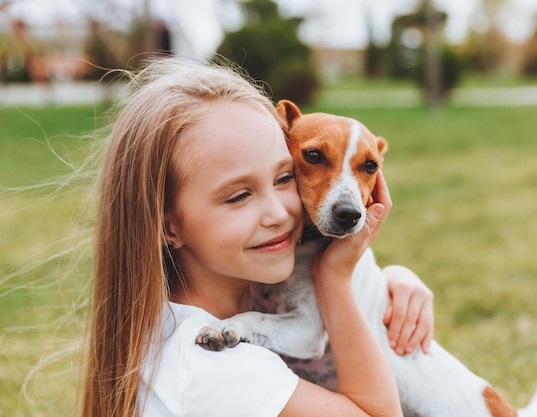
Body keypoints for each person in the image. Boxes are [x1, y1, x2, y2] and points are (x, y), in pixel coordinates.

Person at [80, 57, 434, 417]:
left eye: (284, 179)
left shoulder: (166, 323)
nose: (279, 214)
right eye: (238, 196)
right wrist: (336, 278)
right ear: (168, 225)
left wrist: (388, 279)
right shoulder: (218, 367)